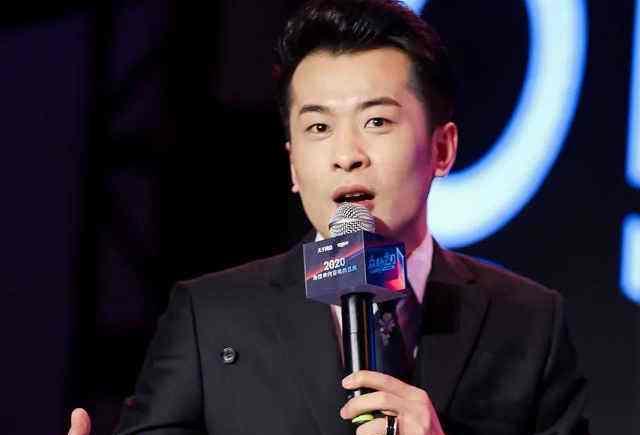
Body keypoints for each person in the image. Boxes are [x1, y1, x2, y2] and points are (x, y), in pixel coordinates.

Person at [68, 1, 589, 434]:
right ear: (294, 164)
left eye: (376, 121)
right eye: (319, 128)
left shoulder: (527, 321)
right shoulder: (211, 316)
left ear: (442, 148)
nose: (347, 155)